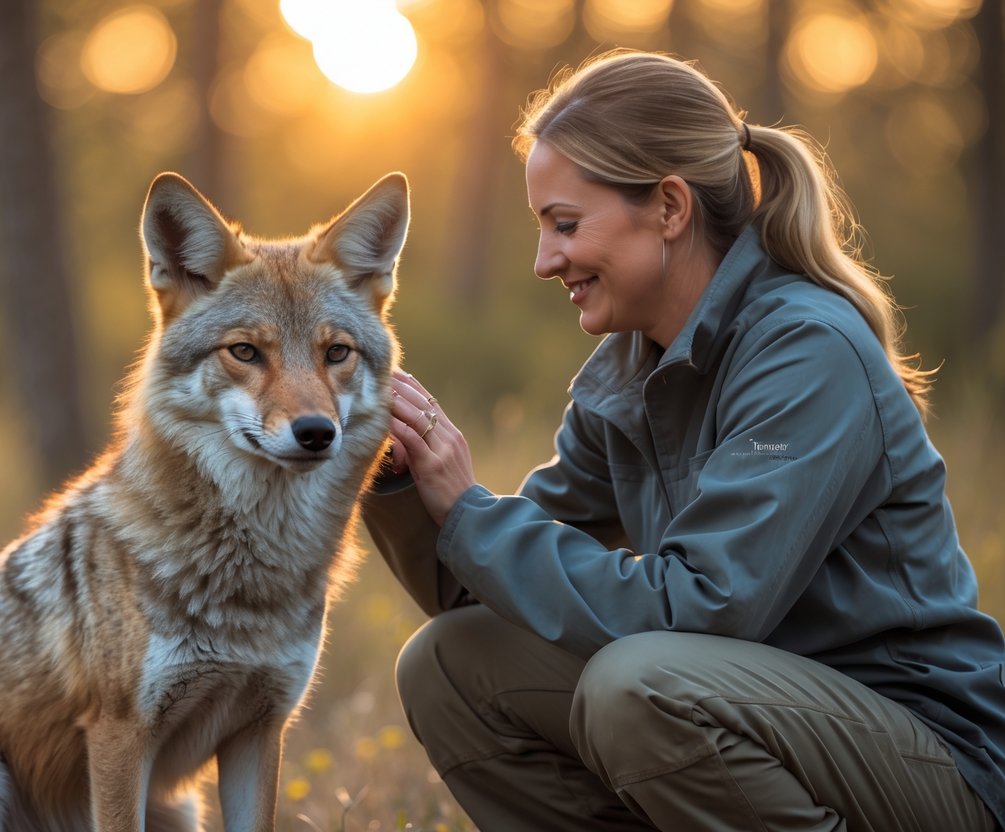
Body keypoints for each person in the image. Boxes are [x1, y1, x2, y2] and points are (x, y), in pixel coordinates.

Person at [362, 49, 1005, 831]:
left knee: (639, 683)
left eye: (565, 224)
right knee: (451, 663)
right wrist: (401, 477)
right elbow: (476, 588)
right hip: (752, 713)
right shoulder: (628, 375)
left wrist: (472, 504)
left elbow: (706, 607)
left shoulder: (806, 350)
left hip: (929, 762)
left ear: (669, 207)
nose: (543, 260)